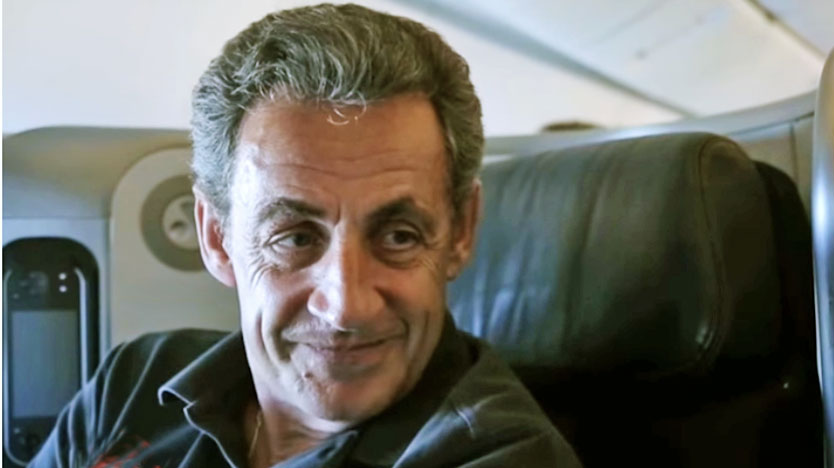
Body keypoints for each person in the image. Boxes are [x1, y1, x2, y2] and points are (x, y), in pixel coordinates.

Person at [30, 4, 581, 467]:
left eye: (398, 237)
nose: (346, 307)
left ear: (460, 231)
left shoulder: (502, 456)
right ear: (217, 237)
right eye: (295, 239)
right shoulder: (132, 386)